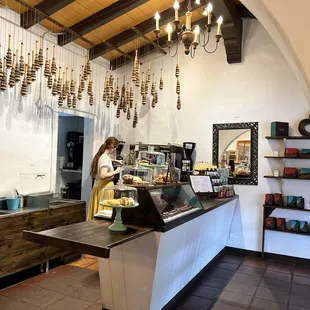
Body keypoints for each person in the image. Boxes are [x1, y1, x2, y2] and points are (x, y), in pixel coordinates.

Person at [87, 137, 120, 220]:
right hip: (104, 188)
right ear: (112, 146)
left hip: (98, 186)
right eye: (115, 148)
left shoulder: (100, 156)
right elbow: (103, 175)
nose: (115, 150)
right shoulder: (105, 158)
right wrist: (116, 171)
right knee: (104, 215)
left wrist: (113, 161)